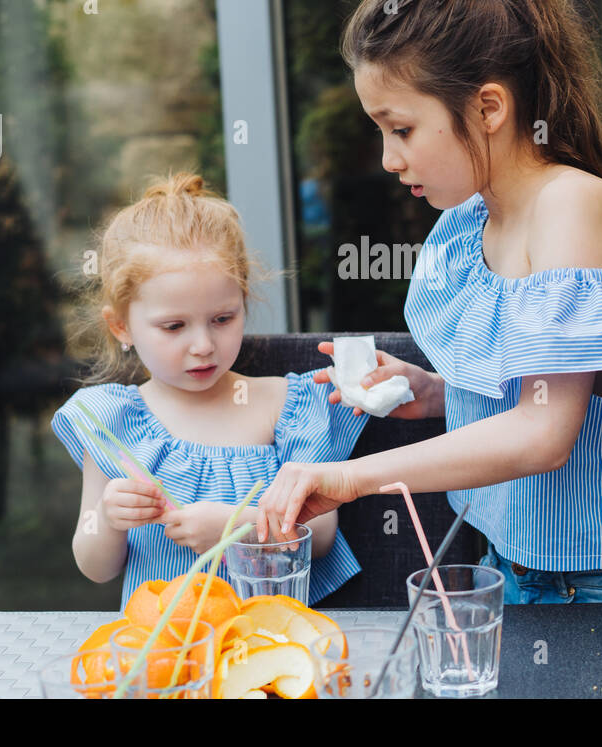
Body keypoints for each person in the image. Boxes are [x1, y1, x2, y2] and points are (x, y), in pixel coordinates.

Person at [257, 0, 602, 604]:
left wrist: (349, 478)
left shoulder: (572, 207)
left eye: (402, 128)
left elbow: (543, 432)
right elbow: (545, 383)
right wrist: (440, 391)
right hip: (516, 566)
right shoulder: (473, 220)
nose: (388, 158)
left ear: (489, 109)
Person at [50, 172, 369, 608]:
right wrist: (107, 519)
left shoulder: (283, 407)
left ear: (243, 303)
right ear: (121, 325)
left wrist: (238, 528)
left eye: (222, 319)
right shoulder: (112, 423)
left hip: (268, 640)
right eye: (174, 326)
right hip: (167, 648)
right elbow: (95, 566)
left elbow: (322, 534)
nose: (203, 346)